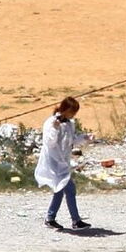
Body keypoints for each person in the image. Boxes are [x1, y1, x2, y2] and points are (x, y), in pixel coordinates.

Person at [35, 96, 91, 230]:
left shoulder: (69, 123)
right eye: (72, 111)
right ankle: (75, 220)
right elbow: (50, 142)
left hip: (63, 162)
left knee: (59, 190)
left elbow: (71, 141)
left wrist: (85, 138)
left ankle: (50, 218)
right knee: (69, 189)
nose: (73, 115)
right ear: (65, 109)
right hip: (53, 161)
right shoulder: (51, 122)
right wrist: (55, 129)